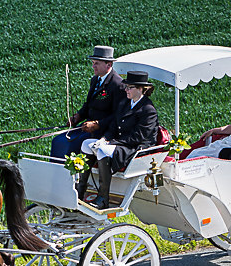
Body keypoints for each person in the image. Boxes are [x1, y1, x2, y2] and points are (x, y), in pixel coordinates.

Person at [77, 70, 160, 208]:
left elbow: (138, 136)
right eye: (126, 87)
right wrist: (104, 138)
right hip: (121, 143)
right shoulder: (124, 103)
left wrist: (111, 143)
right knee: (87, 144)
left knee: (103, 150)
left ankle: (103, 198)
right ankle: (80, 190)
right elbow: (114, 126)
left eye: (129, 87)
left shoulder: (148, 110)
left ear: (140, 89)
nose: (126, 90)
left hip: (136, 147)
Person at [50, 45, 127, 158]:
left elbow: (117, 115)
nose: (93, 66)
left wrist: (97, 124)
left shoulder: (118, 85)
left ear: (108, 64)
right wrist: (79, 116)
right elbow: (88, 104)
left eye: (96, 63)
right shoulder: (95, 80)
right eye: (93, 62)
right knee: (57, 141)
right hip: (87, 126)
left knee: (70, 145)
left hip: (102, 131)